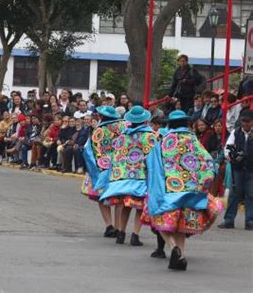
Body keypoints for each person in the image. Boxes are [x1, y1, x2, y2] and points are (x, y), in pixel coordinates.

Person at [141, 110, 222, 270]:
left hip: (168, 191)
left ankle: (173, 248)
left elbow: (149, 163)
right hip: (190, 192)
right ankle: (181, 255)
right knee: (181, 225)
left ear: (170, 124)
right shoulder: (193, 140)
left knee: (160, 221)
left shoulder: (163, 142)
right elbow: (207, 162)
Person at [100, 106, 159, 246]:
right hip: (140, 176)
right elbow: (153, 156)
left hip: (124, 177)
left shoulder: (123, 136)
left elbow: (117, 155)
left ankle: (121, 232)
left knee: (126, 205)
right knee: (139, 206)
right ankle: (135, 235)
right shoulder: (149, 136)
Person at [82, 106, 127, 238]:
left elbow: (88, 151)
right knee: (119, 198)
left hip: (101, 167)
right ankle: (119, 227)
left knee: (101, 196)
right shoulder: (122, 128)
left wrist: (94, 168)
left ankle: (109, 225)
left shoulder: (98, 130)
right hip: (119, 166)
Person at [218, 109, 253, 230]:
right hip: (237, 168)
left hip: (251, 169)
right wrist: (232, 157)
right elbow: (227, 149)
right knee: (234, 194)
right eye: (243, 121)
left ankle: (250, 221)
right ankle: (229, 220)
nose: (245, 124)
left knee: (251, 194)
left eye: (247, 121)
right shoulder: (235, 132)